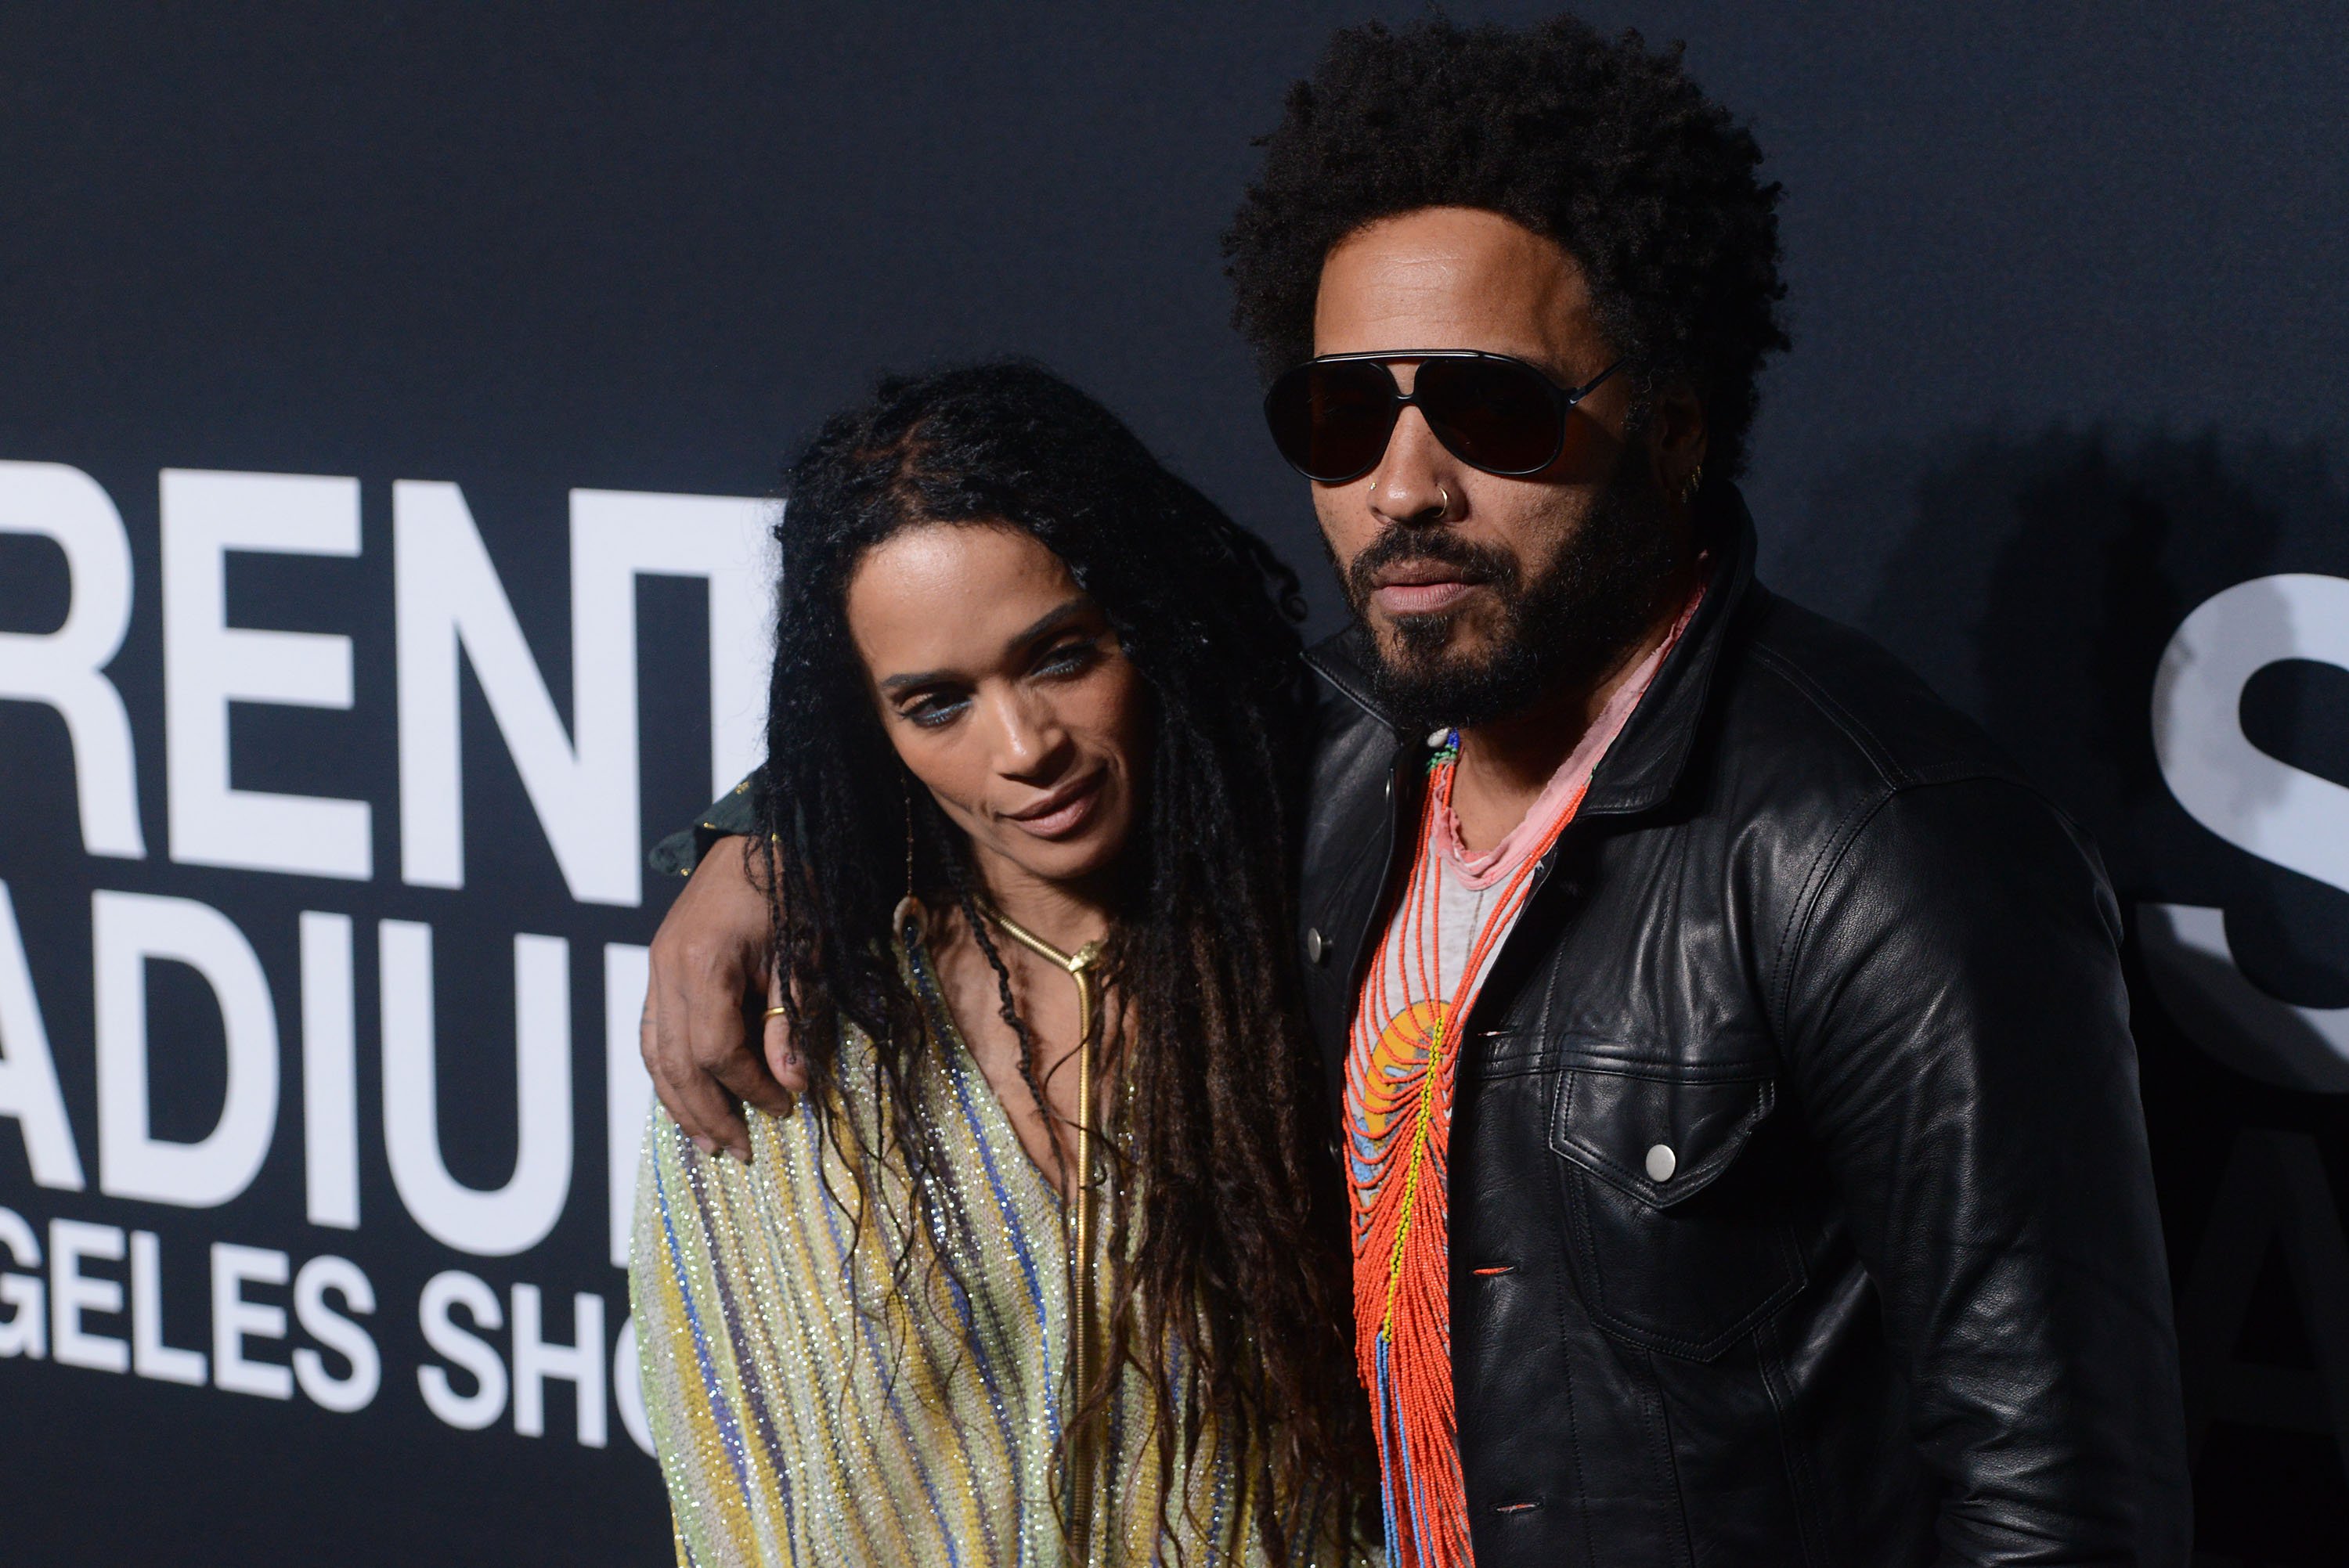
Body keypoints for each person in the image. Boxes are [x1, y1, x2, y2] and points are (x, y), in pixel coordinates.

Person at [644, 17, 2191, 1566]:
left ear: (1670, 426)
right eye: (1341, 418)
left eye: (1494, 412)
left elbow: (2062, 1507)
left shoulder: (1878, 851)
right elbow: (986, 722)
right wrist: (751, 848)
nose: (1403, 485)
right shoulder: (1336, 740)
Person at [630, 362, 1371, 1566]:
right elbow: (737, 1488)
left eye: (1065, 656)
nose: (1024, 747)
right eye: (936, 704)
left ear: (1149, 615)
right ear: (868, 730)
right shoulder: (794, 1029)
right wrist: (754, 843)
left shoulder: (1331, 931)